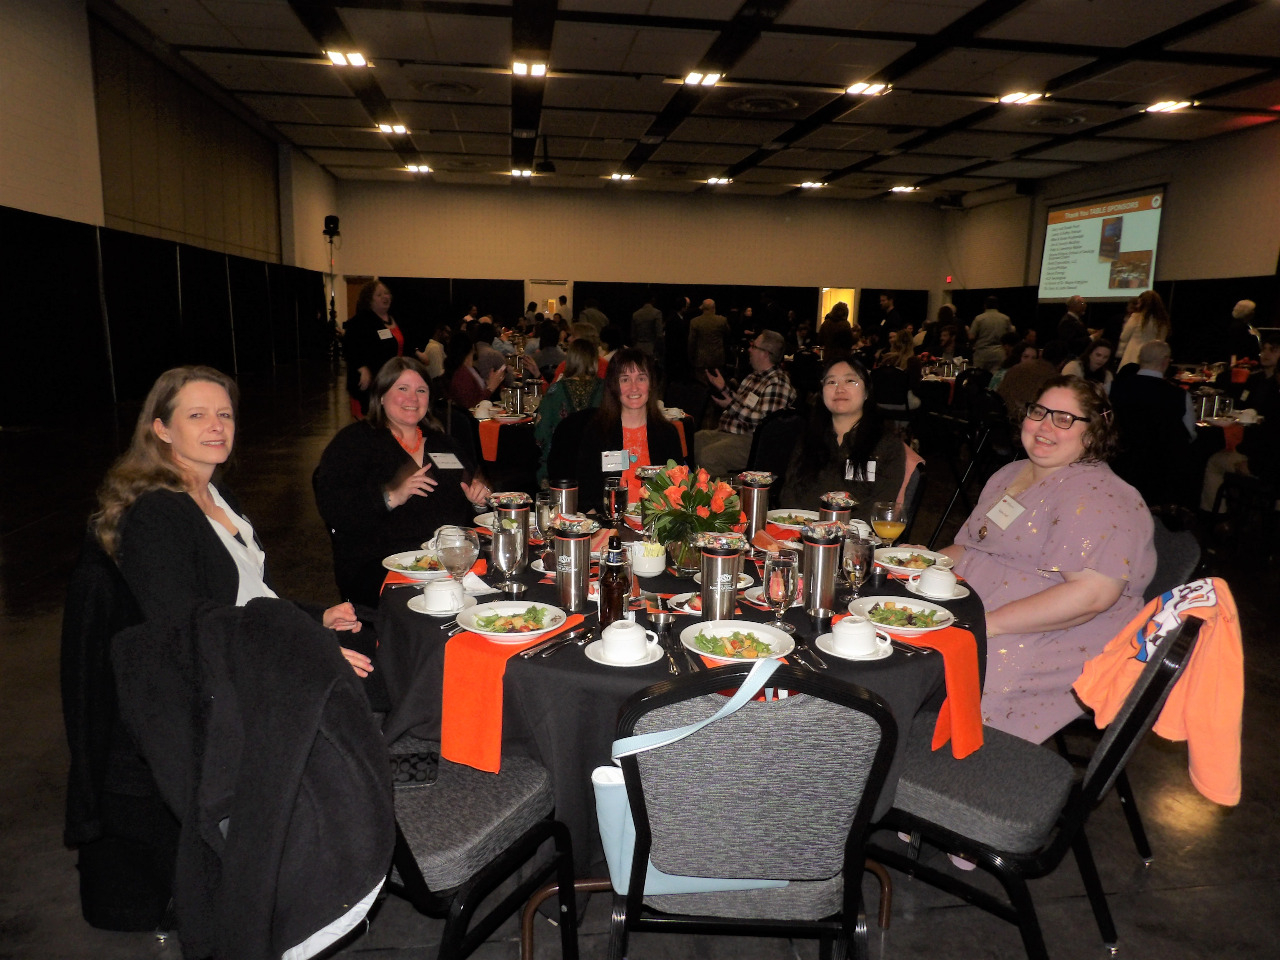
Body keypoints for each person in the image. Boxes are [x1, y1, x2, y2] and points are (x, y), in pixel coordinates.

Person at [94, 365, 371, 676]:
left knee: (386, 643)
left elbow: (252, 595)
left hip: (258, 646)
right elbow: (188, 627)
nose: (216, 426)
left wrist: (316, 617)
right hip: (225, 674)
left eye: (224, 415)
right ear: (162, 430)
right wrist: (303, 646)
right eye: (197, 415)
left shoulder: (218, 494)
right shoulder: (155, 516)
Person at [941, 376, 1156, 742]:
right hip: (975, 608)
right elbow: (976, 548)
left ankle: (942, 761)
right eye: (1039, 412)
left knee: (939, 669)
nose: (1045, 426)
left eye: (1064, 419)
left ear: (1093, 432)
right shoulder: (1010, 473)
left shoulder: (1099, 495)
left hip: (1051, 635)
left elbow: (1091, 597)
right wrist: (917, 563)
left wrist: (984, 626)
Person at [314, 357, 489, 607]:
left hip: (449, 562)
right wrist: (391, 497)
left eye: (421, 390)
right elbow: (336, 509)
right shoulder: (354, 443)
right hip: (381, 563)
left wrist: (478, 503)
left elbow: (469, 512)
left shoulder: (444, 444)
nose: (413, 398)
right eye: (402, 389)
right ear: (381, 396)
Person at [779, 357, 906, 520]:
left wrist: (832, 528)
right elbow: (789, 493)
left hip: (856, 533)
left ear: (867, 392)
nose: (839, 389)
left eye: (850, 381)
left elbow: (880, 505)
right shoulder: (809, 439)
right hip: (801, 529)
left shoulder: (886, 445)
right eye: (831, 382)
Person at [576, 349, 683, 513]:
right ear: (614, 386)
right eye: (625, 379)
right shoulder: (597, 433)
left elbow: (679, 490)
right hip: (609, 522)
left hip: (656, 523)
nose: (634, 388)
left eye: (641, 378)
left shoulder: (667, 434)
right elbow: (585, 494)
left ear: (651, 384)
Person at [694, 330, 796, 478]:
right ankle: (684, 488)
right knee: (692, 441)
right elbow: (742, 405)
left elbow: (764, 423)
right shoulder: (753, 377)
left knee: (708, 456)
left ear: (765, 354)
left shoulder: (778, 384)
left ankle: (720, 492)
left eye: (754, 346)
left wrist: (730, 405)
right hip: (731, 432)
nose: (749, 349)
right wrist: (723, 388)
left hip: (752, 441)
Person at [536, 339, 605, 484]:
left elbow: (541, 433)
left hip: (561, 469)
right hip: (598, 468)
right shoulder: (606, 390)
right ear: (594, 360)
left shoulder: (555, 391)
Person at [343, 279, 404, 417]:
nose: (385, 297)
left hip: (393, 378)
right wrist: (361, 367)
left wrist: (417, 352)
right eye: (379, 295)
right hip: (372, 381)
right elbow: (350, 346)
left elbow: (403, 343)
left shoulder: (395, 318)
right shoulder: (361, 321)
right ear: (369, 300)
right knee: (372, 420)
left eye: (387, 293)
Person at [996, 342, 1059, 418]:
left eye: (1033, 358)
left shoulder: (1033, 379)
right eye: (1026, 357)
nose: (1030, 361)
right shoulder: (1007, 374)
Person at [1116, 289, 1170, 368]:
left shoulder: (1136, 317)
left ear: (1143, 303)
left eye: (1139, 303)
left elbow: (1124, 336)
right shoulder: (1162, 322)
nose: (1137, 306)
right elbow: (1161, 342)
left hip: (1132, 356)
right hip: (1152, 358)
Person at [446, 337, 505, 408]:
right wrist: (491, 388)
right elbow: (471, 404)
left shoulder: (469, 370)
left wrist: (489, 383)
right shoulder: (462, 374)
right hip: (471, 413)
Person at [688, 298, 731, 383]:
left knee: (702, 384)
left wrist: (691, 357)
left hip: (701, 359)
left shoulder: (694, 322)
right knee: (717, 384)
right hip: (717, 358)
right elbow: (728, 334)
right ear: (714, 307)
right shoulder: (722, 320)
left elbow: (691, 342)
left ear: (702, 308)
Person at [968, 296, 1013, 371]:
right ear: (997, 305)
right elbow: (1011, 336)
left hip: (982, 353)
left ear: (985, 305)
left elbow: (971, 336)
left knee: (979, 375)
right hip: (1000, 352)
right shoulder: (1005, 318)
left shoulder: (979, 318)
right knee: (997, 376)